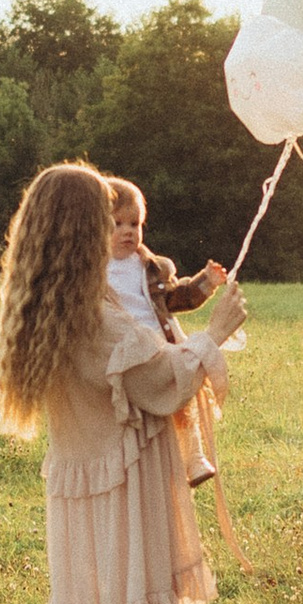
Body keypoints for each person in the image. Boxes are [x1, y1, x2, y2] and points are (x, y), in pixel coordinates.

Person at [0, 161, 247, 604]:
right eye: (102, 215)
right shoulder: (91, 316)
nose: (116, 227)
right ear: (80, 232)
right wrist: (215, 331)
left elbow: (150, 369)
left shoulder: (64, 304)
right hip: (123, 487)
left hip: (104, 484)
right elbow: (160, 382)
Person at [103, 175, 229, 485]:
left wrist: (205, 282)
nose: (128, 232)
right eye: (118, 224)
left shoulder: (150, 267)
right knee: (136, 410)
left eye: (135, 224)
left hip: (161, 342)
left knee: (182, 401)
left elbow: (176, 298)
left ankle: (194, 457)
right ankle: (143, 461)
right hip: (123, 348)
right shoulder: (95, 269)